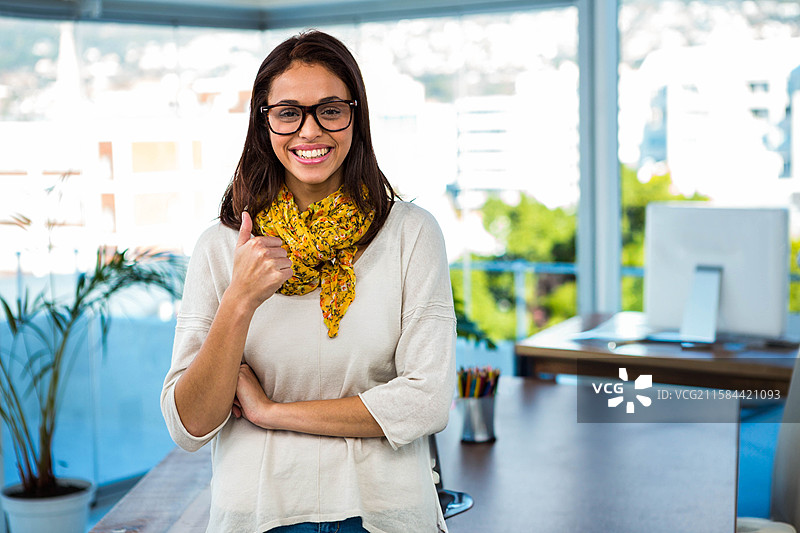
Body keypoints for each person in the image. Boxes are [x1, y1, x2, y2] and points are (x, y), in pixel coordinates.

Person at [161, 30, 456, 533]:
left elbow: (426, 401)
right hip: (259, 513)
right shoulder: (222, 246)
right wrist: (239, 299)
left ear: (355, 116)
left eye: (331, 109)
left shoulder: (411, 233)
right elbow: (190, 426)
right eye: (288, 112)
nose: (310, 131)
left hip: (382, 513)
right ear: (264, 122)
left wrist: (272, 413)